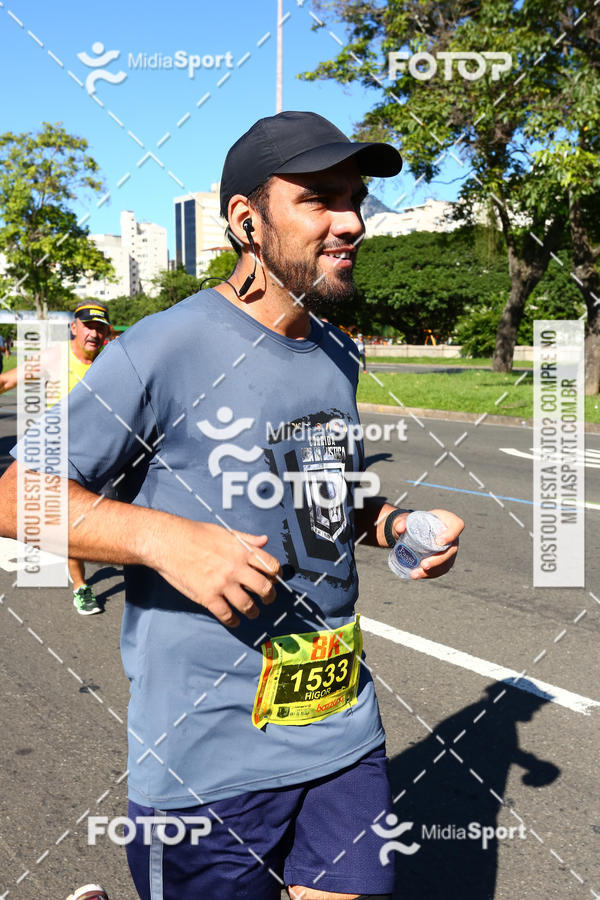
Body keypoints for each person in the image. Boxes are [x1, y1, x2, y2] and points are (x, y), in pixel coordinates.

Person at [0, 111, 464, 900]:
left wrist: (390, 525)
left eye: (354, 199)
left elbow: (323, 495)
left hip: (342, 727)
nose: (351, 221)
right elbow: (15, 498)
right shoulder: (163, 347)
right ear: (246, 221)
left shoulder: (335, 349)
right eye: (318, 199)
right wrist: (164, 541)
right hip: (207, 759)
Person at [0, 301, 111, 615]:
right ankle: (81, 587)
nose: (94, 332)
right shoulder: (55, 357)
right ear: (74, 327)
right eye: (88, 325)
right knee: (69, 524)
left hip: (104, 456)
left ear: (107, 332)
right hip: (60, 453)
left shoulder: (111, 362)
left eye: (100, 327)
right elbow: (7, 381)